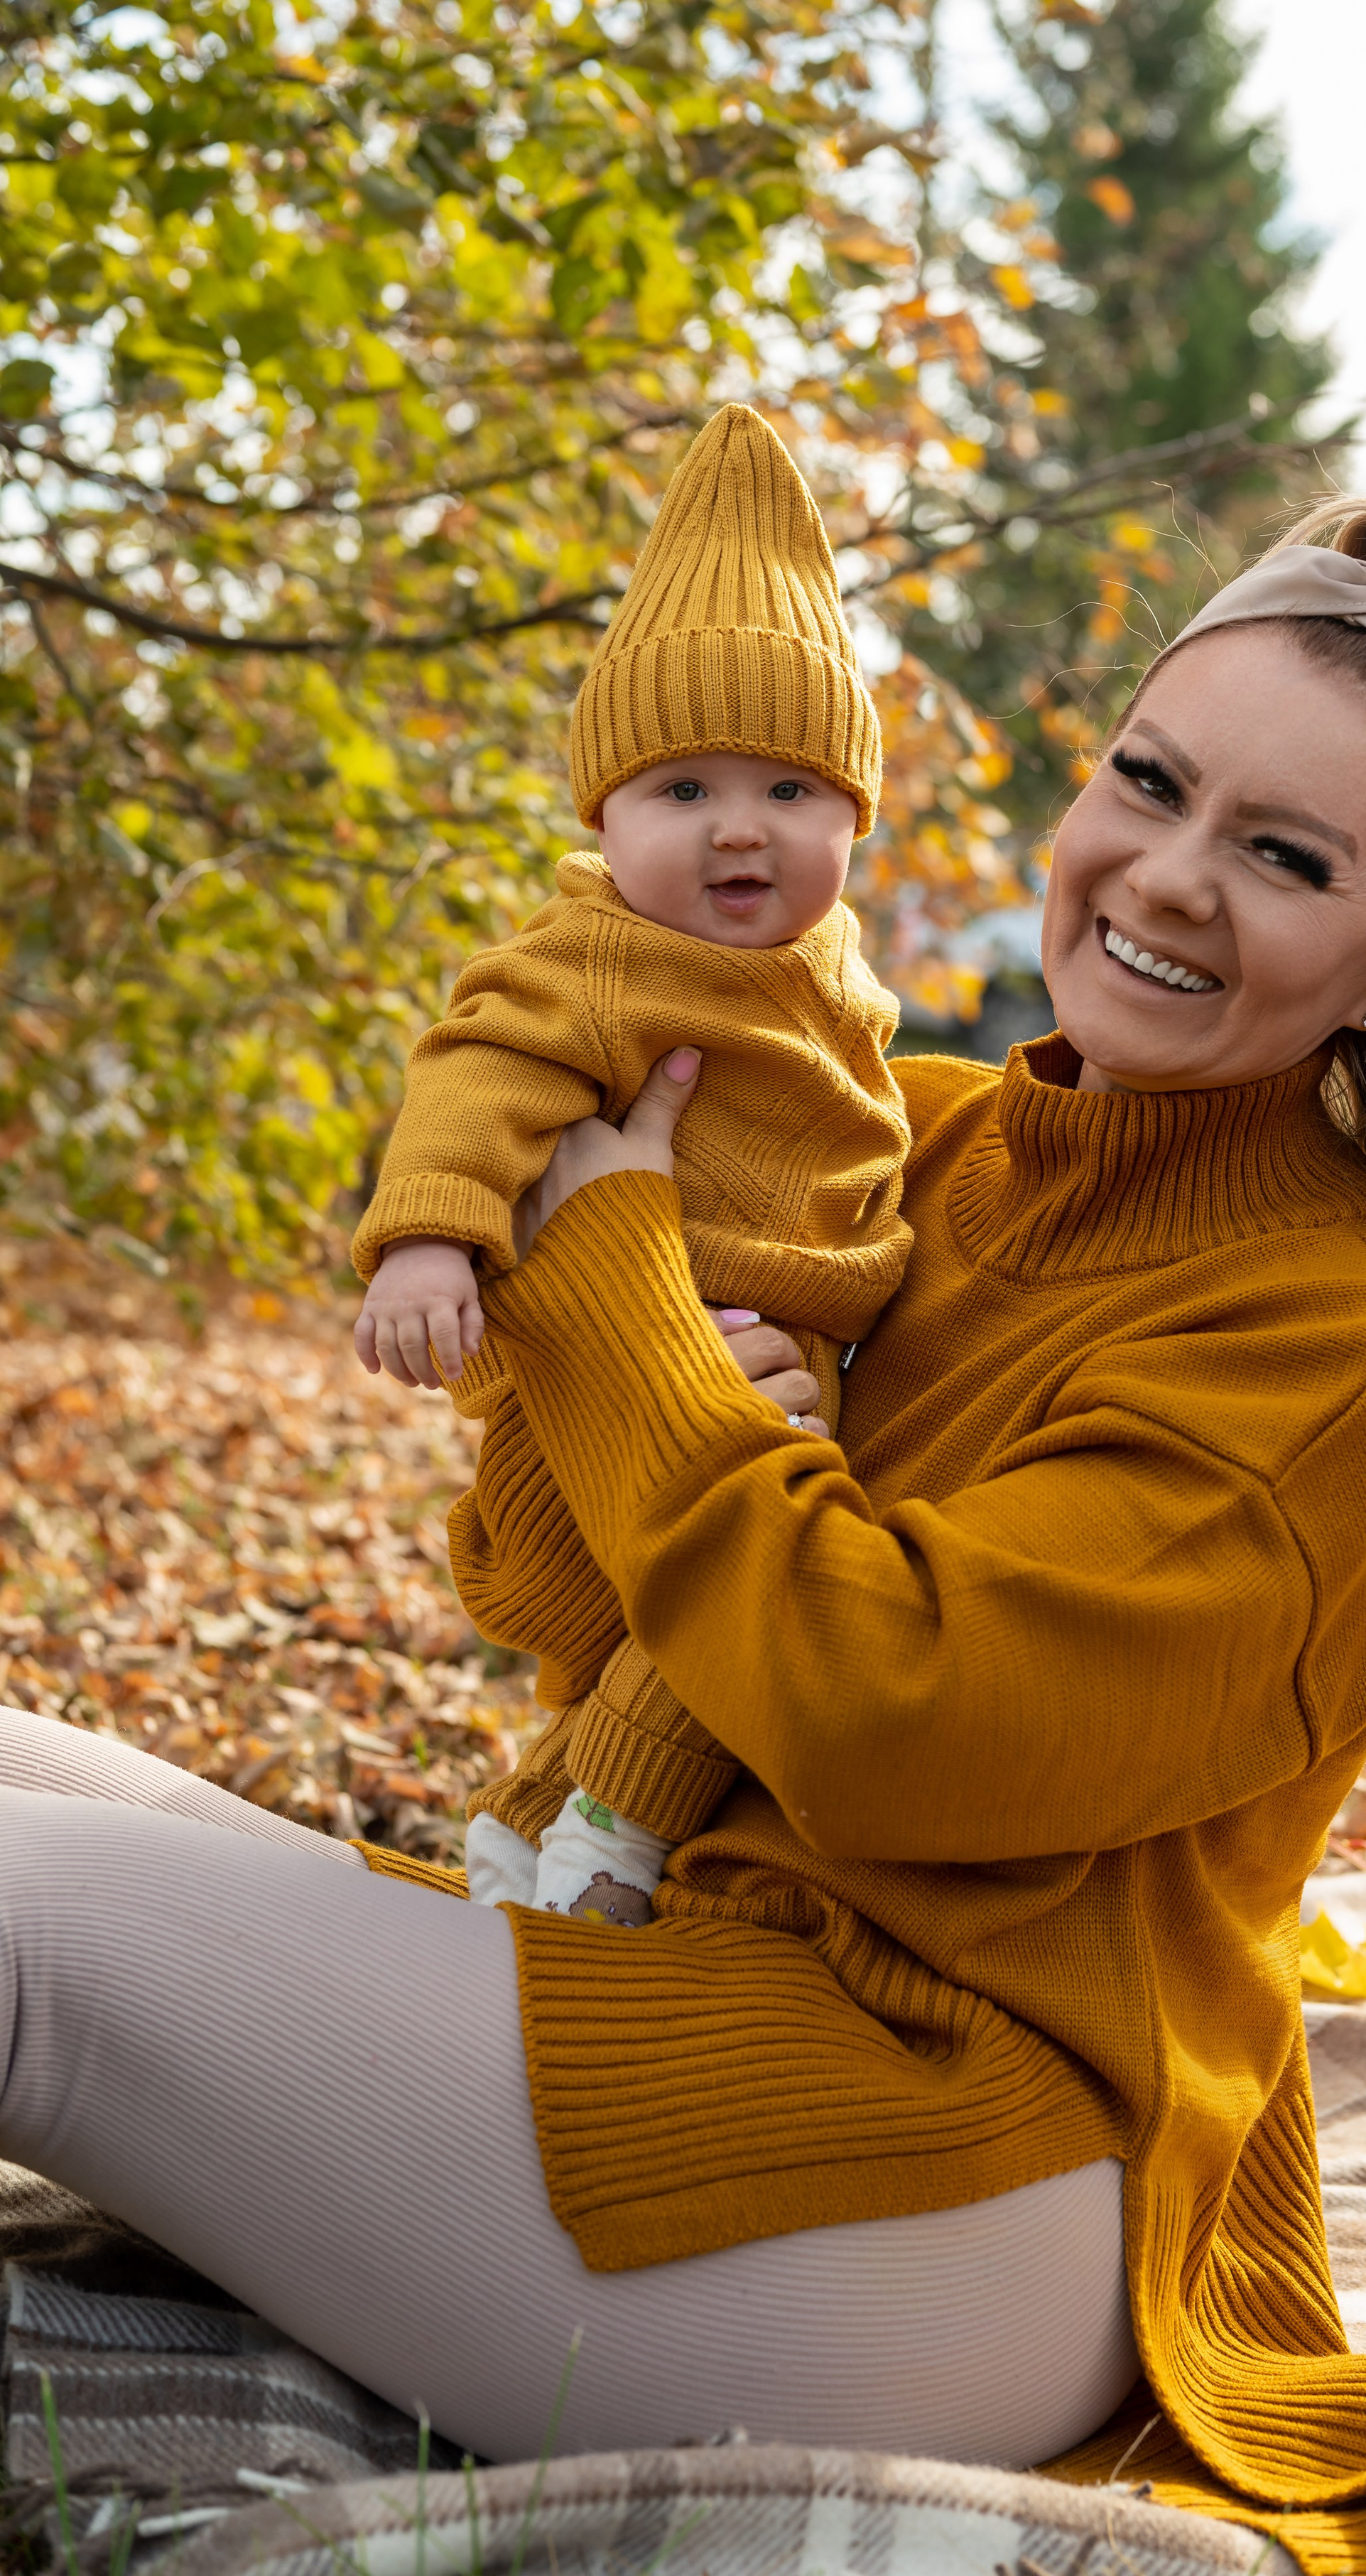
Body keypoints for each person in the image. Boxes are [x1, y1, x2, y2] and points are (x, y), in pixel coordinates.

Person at [0, 493, 1366, 2576]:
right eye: (1150, 780)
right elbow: (571, 1608)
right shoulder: (920, 1143)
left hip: (967, 2171)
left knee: (22, 1932)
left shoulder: (1333, 1348)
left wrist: (617, 1278)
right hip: (702, 1979)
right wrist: (603, 1367)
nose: (1165, 875)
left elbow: (894, 1714)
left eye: (1286, 854)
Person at [350, 403, 913, 1926]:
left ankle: (555, 1821)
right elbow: (480, 1063)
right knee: (662, 1606)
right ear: (601, 817)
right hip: (607, 1363)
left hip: (773, 1350)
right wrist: (429, 1241)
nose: (742, 832)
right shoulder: (600, 952)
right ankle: (594, 1817)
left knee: (748, 1588)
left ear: (854, 814)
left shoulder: (844, 978)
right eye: (685, 792)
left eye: (792, 792)